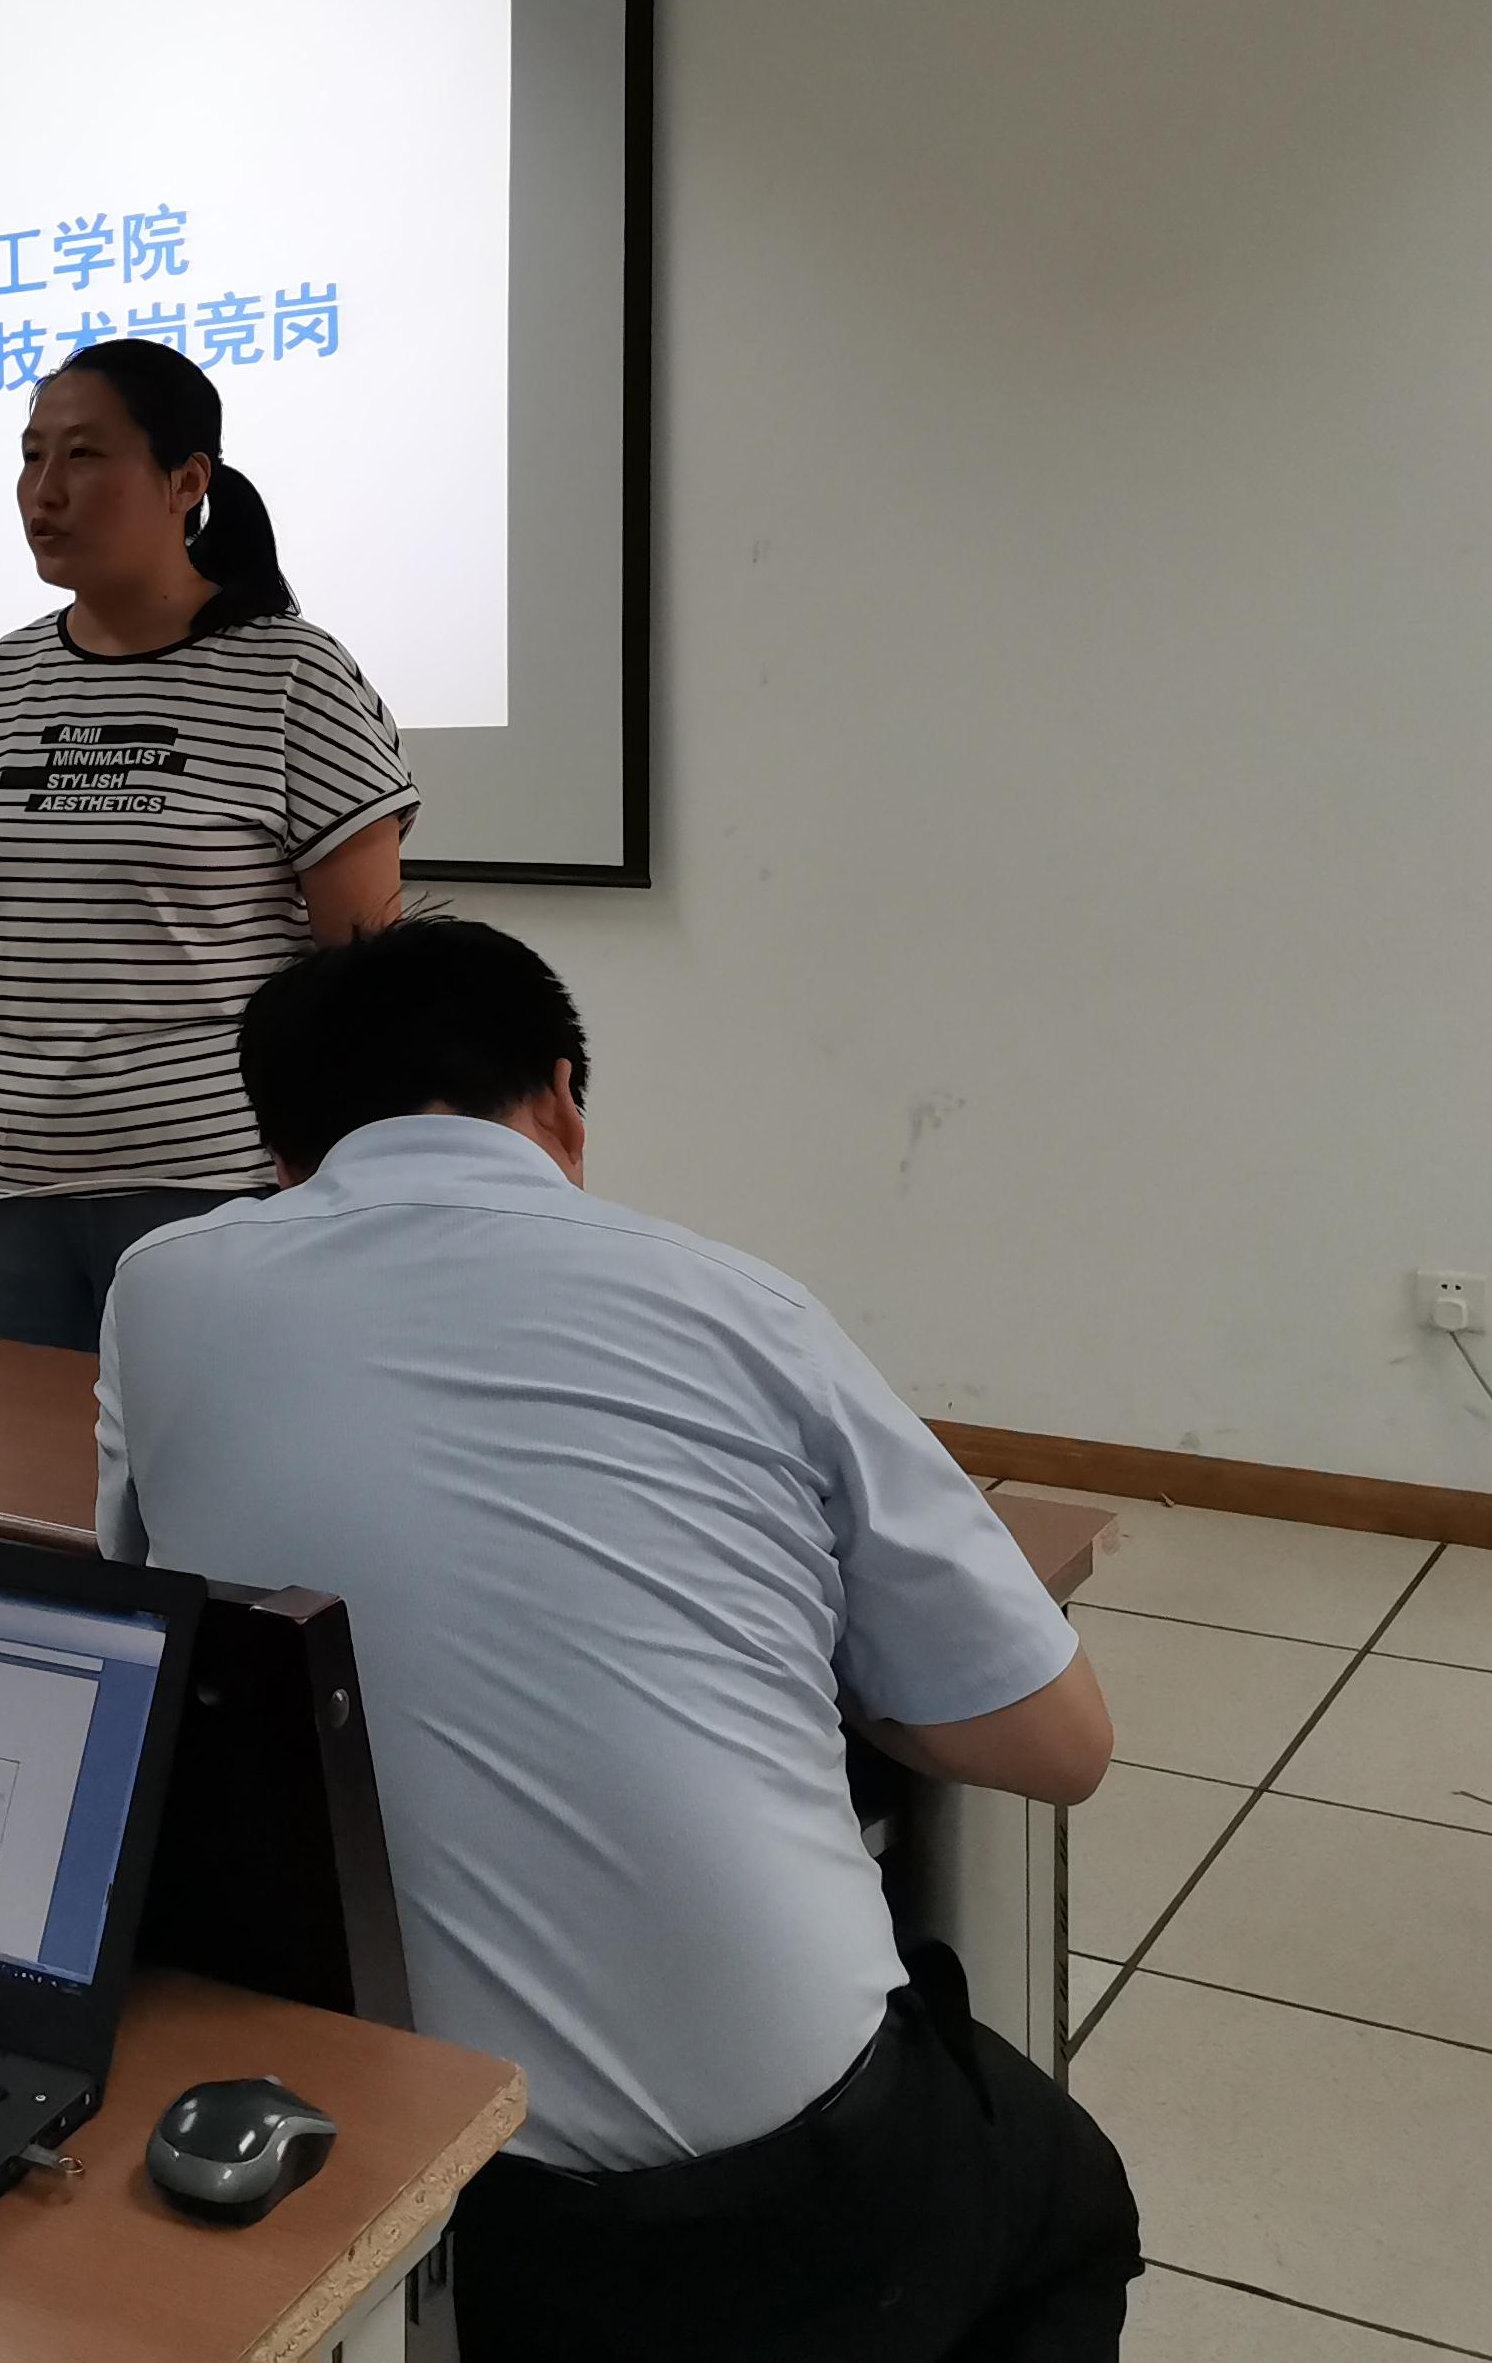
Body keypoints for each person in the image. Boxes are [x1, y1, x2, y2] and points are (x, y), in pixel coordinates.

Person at [98, 918, 1135, 2363]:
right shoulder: (741, 1305)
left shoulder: (159, 1288)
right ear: (562, 1101)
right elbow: (1058, 1742)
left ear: (281, 1154)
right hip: (773, 2203)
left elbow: (154, 1608)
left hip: (395, 2196)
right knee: (1068, 2200)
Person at [0, 339, 416, 1352]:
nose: (44, 490)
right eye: (31, 456)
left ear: (187, 481)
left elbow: (367, 979)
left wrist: (346, 1197)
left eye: (84, 456)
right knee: (10, 1455)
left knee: (213, 1454)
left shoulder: (291, 677)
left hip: (223, 1189)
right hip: (8, 1189)